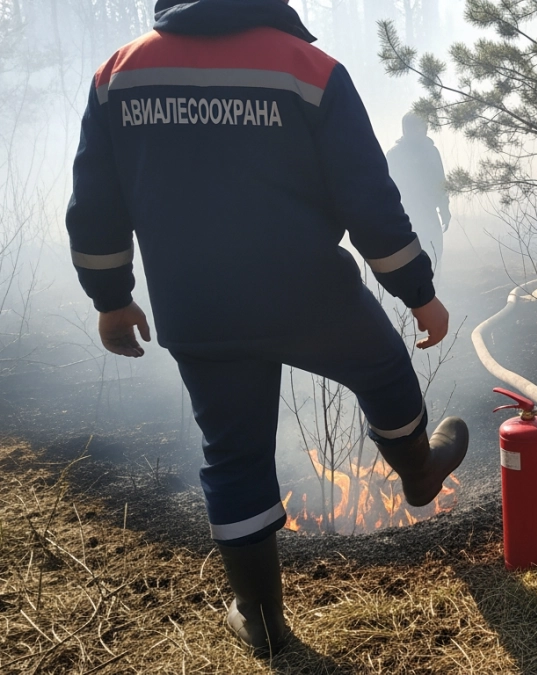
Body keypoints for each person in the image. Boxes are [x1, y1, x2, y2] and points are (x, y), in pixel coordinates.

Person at [64, 0, 469, 657]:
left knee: (233, 455)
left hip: (196, 306)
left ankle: (259, 621)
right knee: (385, 370)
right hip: (308, 294)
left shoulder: (119, 75)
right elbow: (369, 200)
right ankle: (420, 473)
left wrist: (111, 299)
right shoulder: (308, 69)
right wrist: (419, 293)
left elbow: (95, 200)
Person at [386, 113, 451, 281]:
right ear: (405, 129)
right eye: (413, 127)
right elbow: (389, 188)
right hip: (407, 216)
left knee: (435, 252)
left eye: (421, 126)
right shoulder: (395, 154)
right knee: (410, 259)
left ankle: (434, 291)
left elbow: (440, 181)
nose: (418, 131)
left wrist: (445, 208)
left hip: (429, 214)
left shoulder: (431, 151)